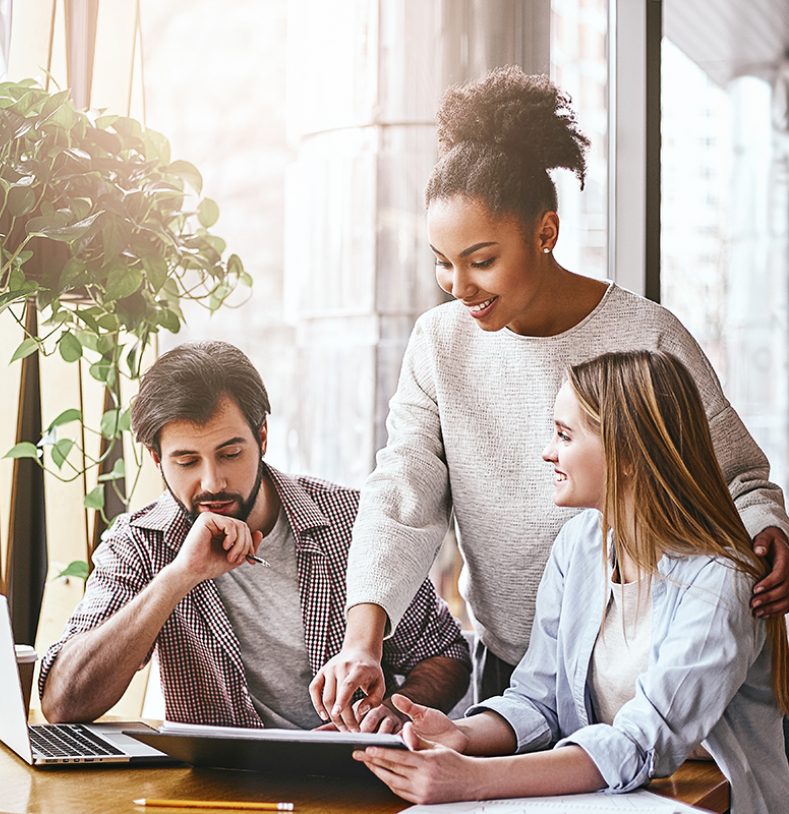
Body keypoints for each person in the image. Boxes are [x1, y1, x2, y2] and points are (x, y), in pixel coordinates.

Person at [310, 65, 789, 729]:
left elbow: (737, 479)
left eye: (480, 259)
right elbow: (402, 496)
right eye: (442, 261)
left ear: (545, 233)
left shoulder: (645, 334)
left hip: (650, 666)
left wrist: (766, 529)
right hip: (521, 676)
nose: (458, 284)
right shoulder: (438, 343)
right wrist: (362, 640)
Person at [353, 350, 789, 813]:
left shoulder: (722, 578)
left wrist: (474, 781)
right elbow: (538, 700)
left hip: (715, 801)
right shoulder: (579, 546)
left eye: (564, 435)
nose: (548, 452)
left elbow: (641, 743)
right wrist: (461, 735)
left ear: (628, 454)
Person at [39, 341, 470, 731]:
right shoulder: (139, 544)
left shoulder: (354, 520)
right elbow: (63, 702)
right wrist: (177, 577)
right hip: (215, 790)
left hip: (348, 778)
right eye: (187, 461)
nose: (212, 482)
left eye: (230, 454)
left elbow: (445, 654)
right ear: (156, 458)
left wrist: (393, 712)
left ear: (262, 437)